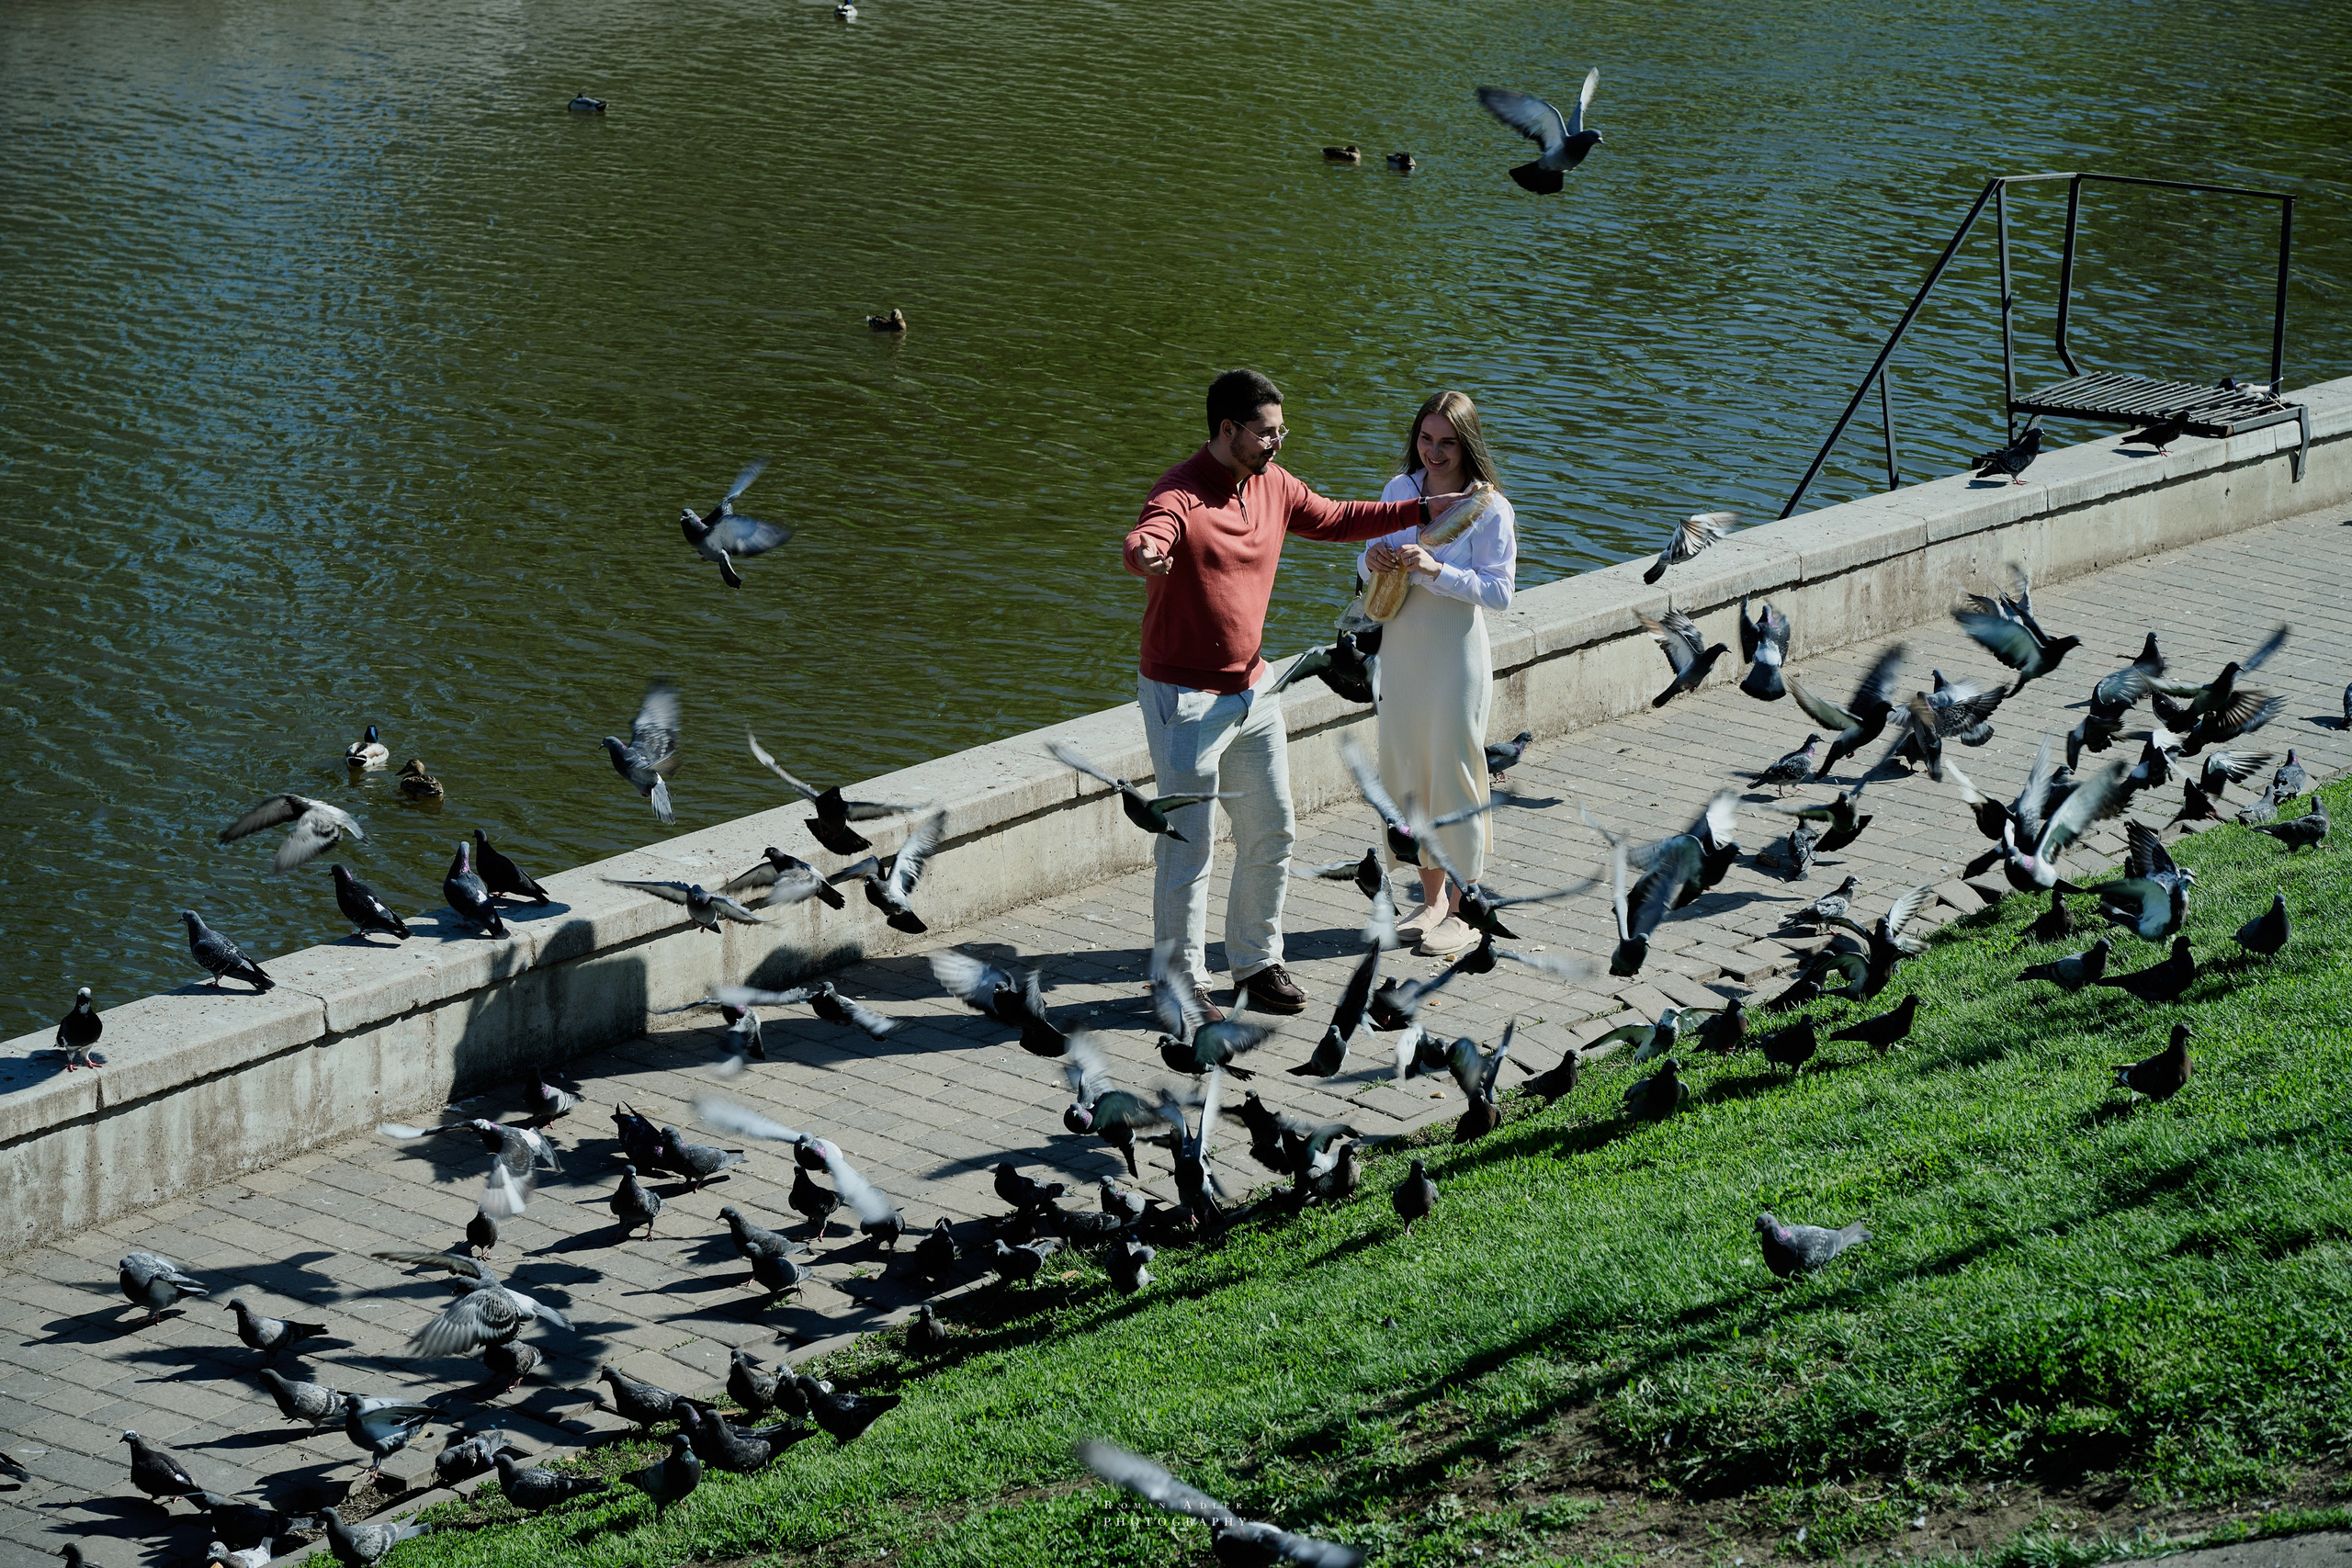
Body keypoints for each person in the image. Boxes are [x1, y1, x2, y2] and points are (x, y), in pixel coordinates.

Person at [1125, 369, 1470, 1017]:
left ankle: (1254, 964)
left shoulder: (1274, 484)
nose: (1279, 442)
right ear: (1228, 429)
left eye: (1282, 430)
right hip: (1185, 698)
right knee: (1188, 845)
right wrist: (1143, 552)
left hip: (1253, 689)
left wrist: (1423, 510)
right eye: (1268, 432)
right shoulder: (1181, 492)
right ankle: (1178, 982)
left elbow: (1338, 519)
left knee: (1273, 831)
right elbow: (1152, 531)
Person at [1359, 389, 1518, 955]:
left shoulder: (1489, 507)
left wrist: (1435, 570)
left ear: (1466, 444)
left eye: (1447, 442)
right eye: (1426, 439)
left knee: (1453, 775)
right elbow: (1367, 558)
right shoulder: (1399, 490)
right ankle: (1430, 903)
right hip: (1401, 649)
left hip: (1455, 653)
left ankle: (1464, 908)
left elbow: (1500, 592)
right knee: (1407, 770)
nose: (1434, 451)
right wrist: (1371, 559)